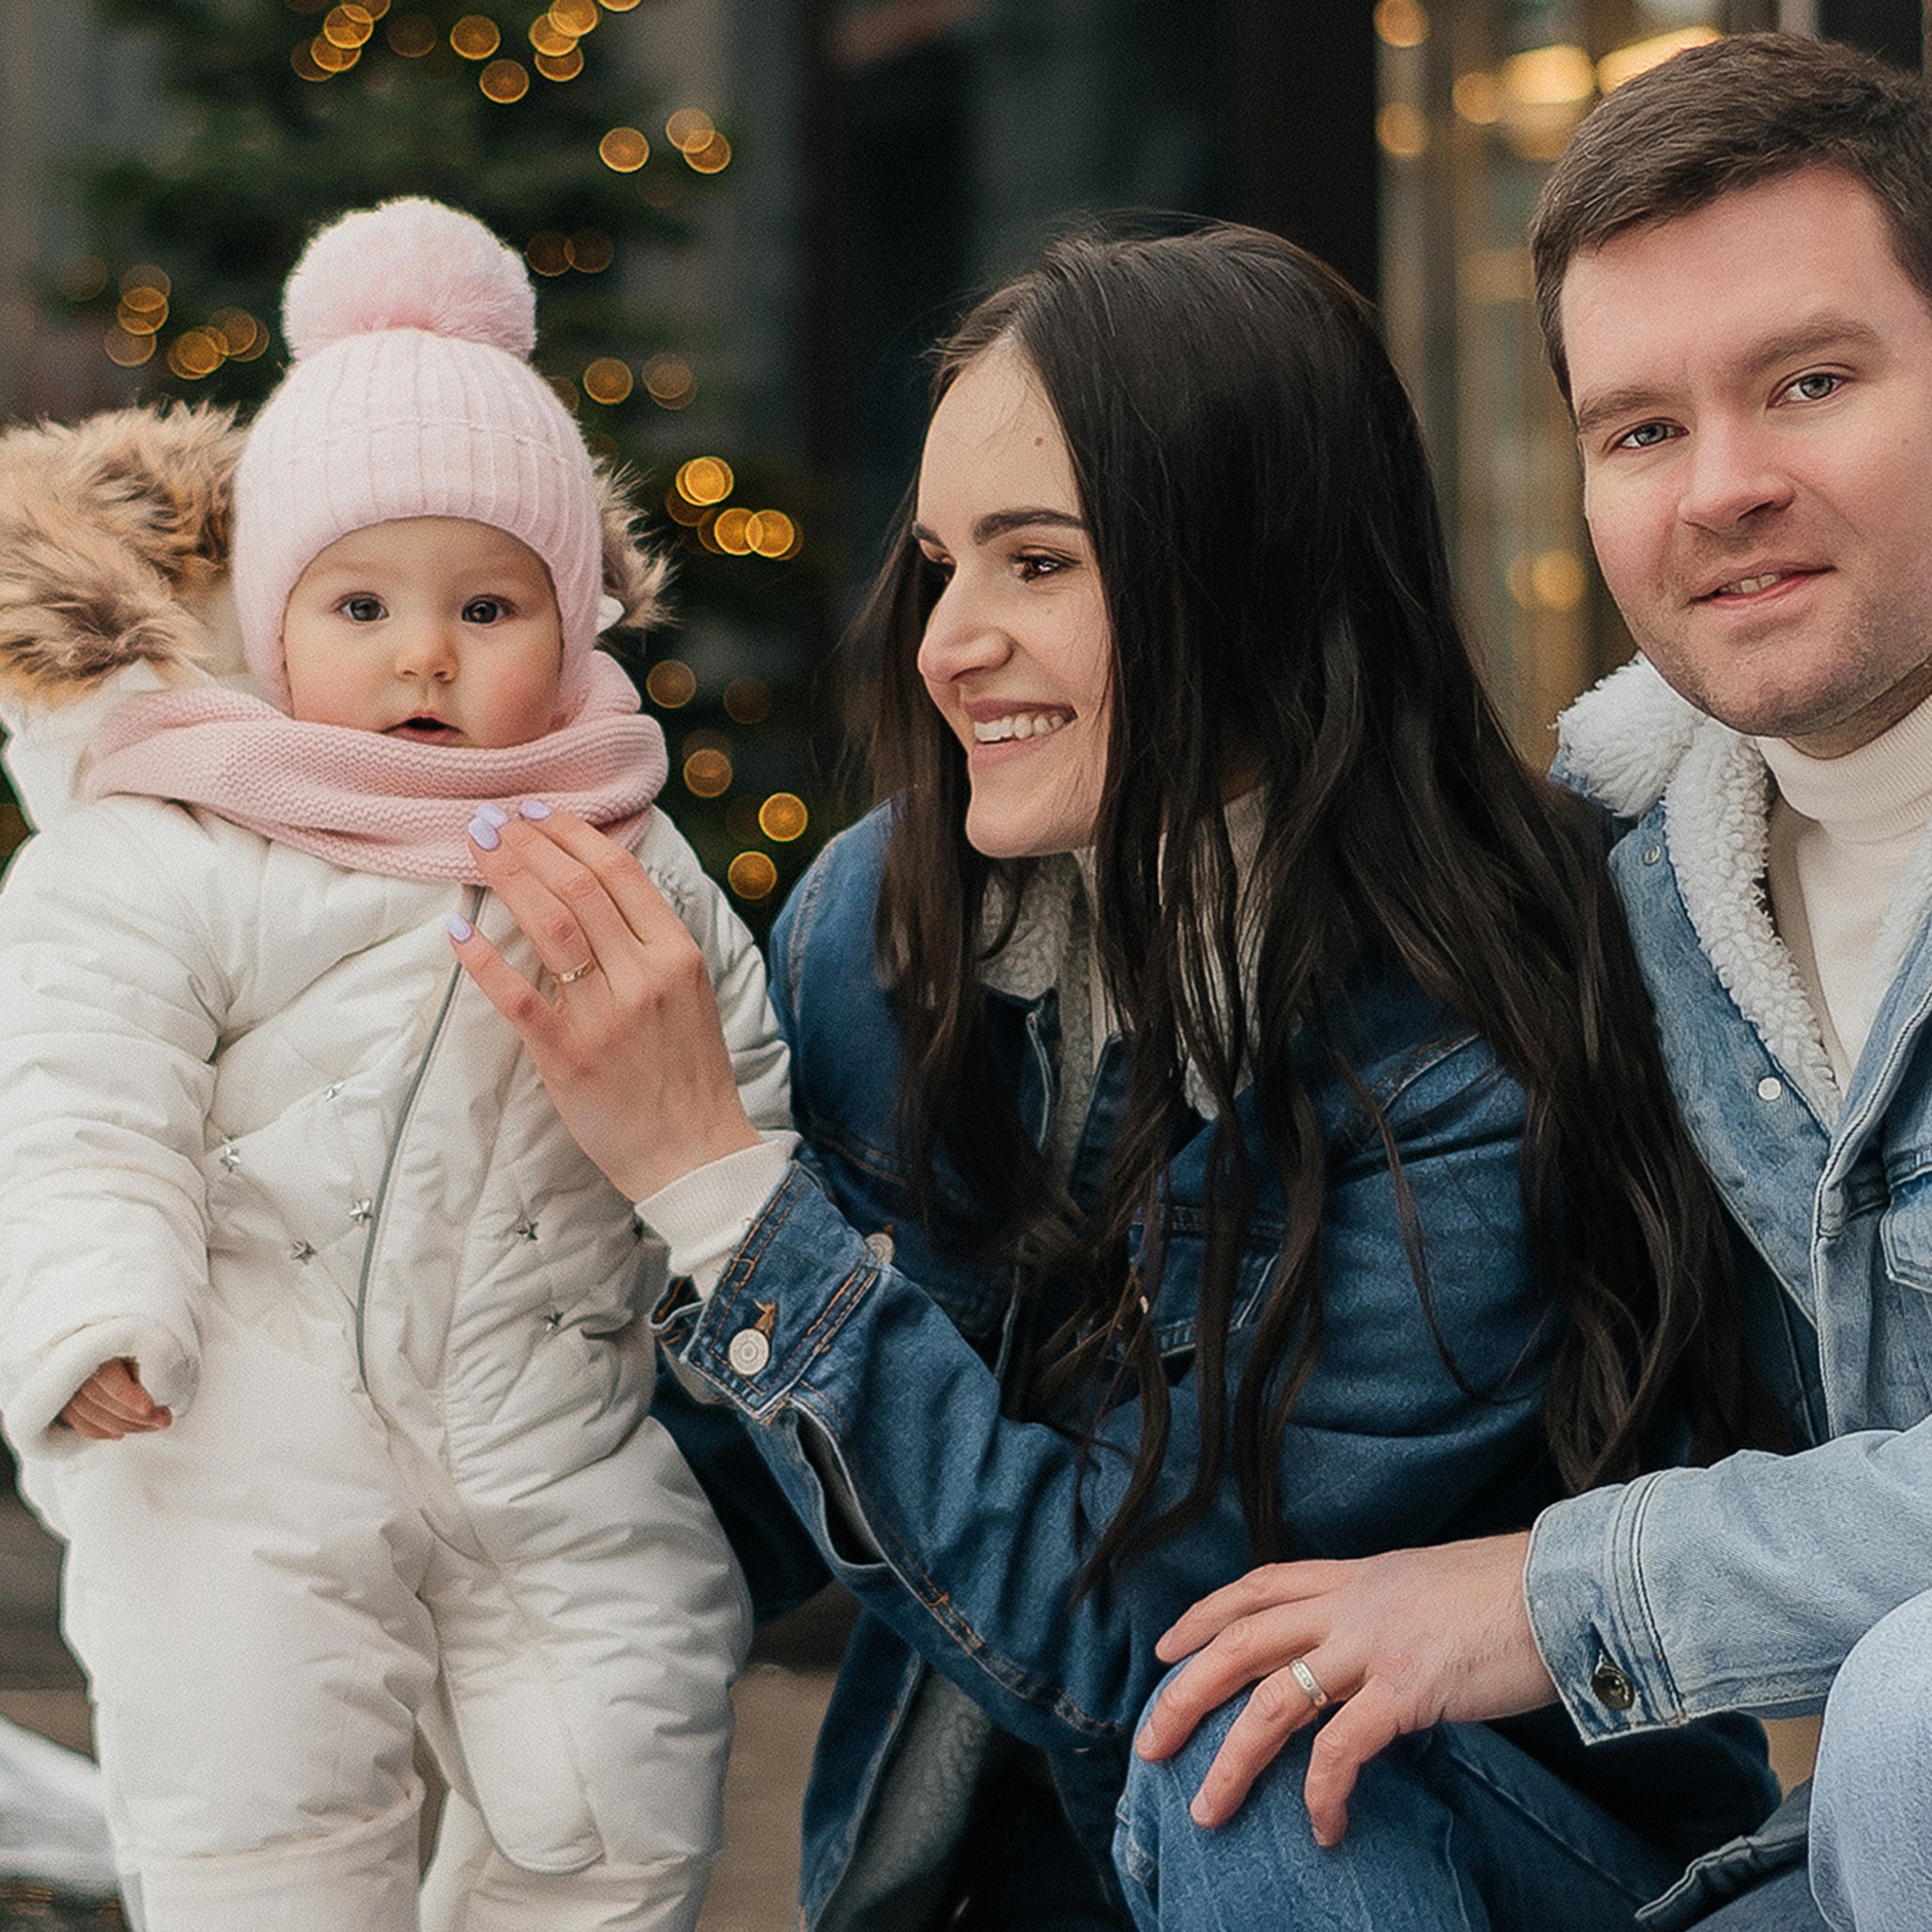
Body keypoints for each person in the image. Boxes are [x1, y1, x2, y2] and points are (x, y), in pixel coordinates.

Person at [448, 220, 1777, 1931]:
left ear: (1253, 571)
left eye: (1038, 562)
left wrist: (719, 1185)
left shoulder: (1462, 1039)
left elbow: (1132, 1652)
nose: (947, 643)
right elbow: (745, 1511)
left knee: (1248, 1747)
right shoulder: (878, 918)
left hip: (1440, 1863)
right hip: (987, 1867)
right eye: (939, 563)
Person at [1131, 30, 1932, 1932]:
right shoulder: (1626, 891)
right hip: (1833, 1864)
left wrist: (1548, 1589)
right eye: (1638, 428)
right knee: (1258, 1743)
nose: (1719, 487)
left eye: (1807, 382)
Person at [0, 198, 791, 1932]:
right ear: (277, 624)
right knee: (257, 1814)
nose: (426, 652)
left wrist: (740, 1261)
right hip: (239, 1429)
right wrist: (96, 1307)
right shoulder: (175, 843)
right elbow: (81, 1099)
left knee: (622, 1771)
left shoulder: (621, 850)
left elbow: (730, 1084)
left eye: (490, 603)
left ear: (573, 626)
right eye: (361, 600)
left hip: (540, 1432)